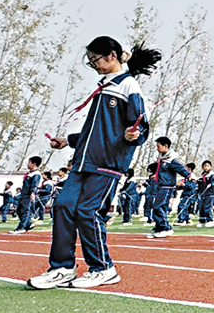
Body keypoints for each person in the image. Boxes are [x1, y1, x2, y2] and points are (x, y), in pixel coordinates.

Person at [28, 37, 158, 290]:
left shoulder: (128, 86)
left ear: (111, 55)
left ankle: (103, 268)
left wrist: (135, 135)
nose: (93, 65)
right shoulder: (104, 87)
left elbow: (140, 126)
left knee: (88, 212)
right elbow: (95, 131)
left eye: (95, 60)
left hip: (107, 164)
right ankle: (62, 268)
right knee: (63, 206)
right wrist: (68, 141)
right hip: (83, 162)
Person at [12, 156, 47, 233]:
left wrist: (33, 193)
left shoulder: (36, 174)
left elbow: (34, 184)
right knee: (19, 210)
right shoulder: (29, 174)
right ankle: (28, 224)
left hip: (28, 195)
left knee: (25, 211)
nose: (27, 164)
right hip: (23, 194)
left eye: (29, 162)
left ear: (34, 164)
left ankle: (21, 227)